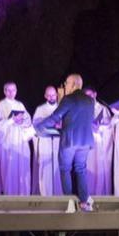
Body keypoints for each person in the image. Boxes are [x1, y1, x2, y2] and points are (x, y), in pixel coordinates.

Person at [34, 74, 94, 209]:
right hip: (85, 141)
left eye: (66, 83)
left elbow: (55, 117)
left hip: (70, 141)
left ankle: (70, 202)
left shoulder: (68, 99)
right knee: (80, 169)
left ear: (73, 84)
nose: (65, 85)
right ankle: (84, 201)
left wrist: (38, 128)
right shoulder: (90, 101)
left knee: (65, 169)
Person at [0, 82, 34, 195]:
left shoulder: (20, 104)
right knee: (9, 170)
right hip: (7, 142)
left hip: (20, 141)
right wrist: (12, 120)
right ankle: (9, 196)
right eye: (8, 90)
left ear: (16, 91)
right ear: (4, 91)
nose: (11, 93)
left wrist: (22, 120)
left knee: (21, 169)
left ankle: (22, 196)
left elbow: (28, 120)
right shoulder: (1, 105)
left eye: (13, 90)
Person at [32, 86, 63, 196]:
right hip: (45, 141)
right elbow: (35, 125)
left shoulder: (61, 107)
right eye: (49, 95)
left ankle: (59, 195)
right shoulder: (40, 109)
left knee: (57, 168)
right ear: (45, 96)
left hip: (57, 141)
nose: (51, 97)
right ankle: (46, 195)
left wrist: (60, 125)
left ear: (56, 95)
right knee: (45, 169)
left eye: (53, 95)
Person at [84, 87, 113, 196]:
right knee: (89, 169)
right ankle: (88, 195)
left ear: (95, 94)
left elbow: (109, 125)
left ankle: (100, 194)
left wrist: (100, 127)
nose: (89, 97)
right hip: (88, 143)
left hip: (100, 142)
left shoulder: (103, 109)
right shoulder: (83, 108)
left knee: (99, 168)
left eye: (90, 95)